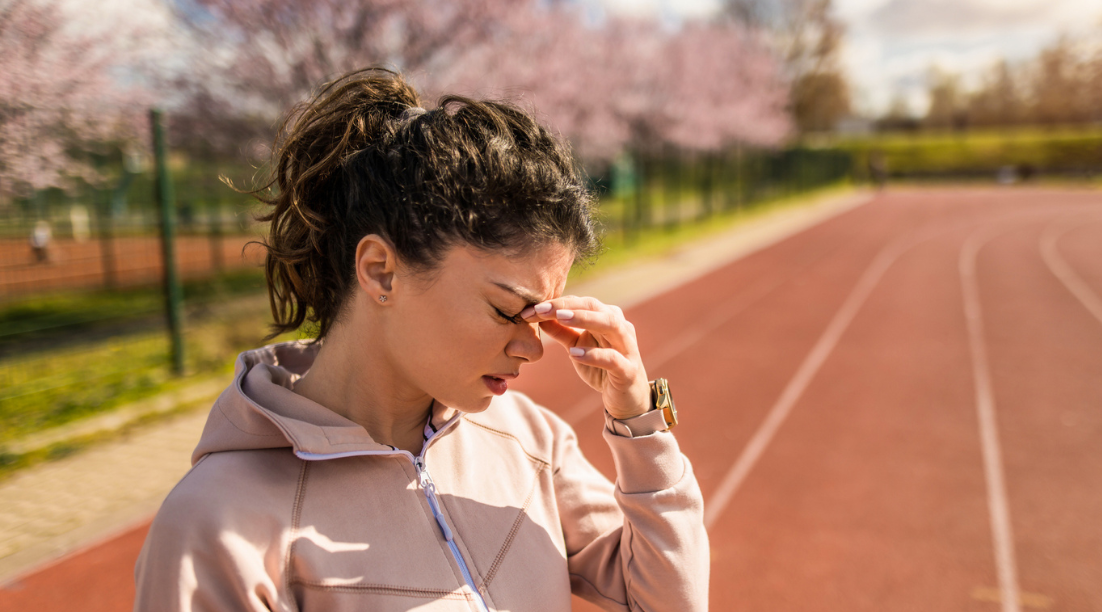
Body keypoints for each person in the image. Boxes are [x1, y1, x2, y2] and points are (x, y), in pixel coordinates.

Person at [133, 68, 708, 611]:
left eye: (539, 318)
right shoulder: (214, 525)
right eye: (509, 311)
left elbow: (668, 599)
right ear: (382, 270)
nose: (533, 348)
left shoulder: (531, 439)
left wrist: (639, 421)